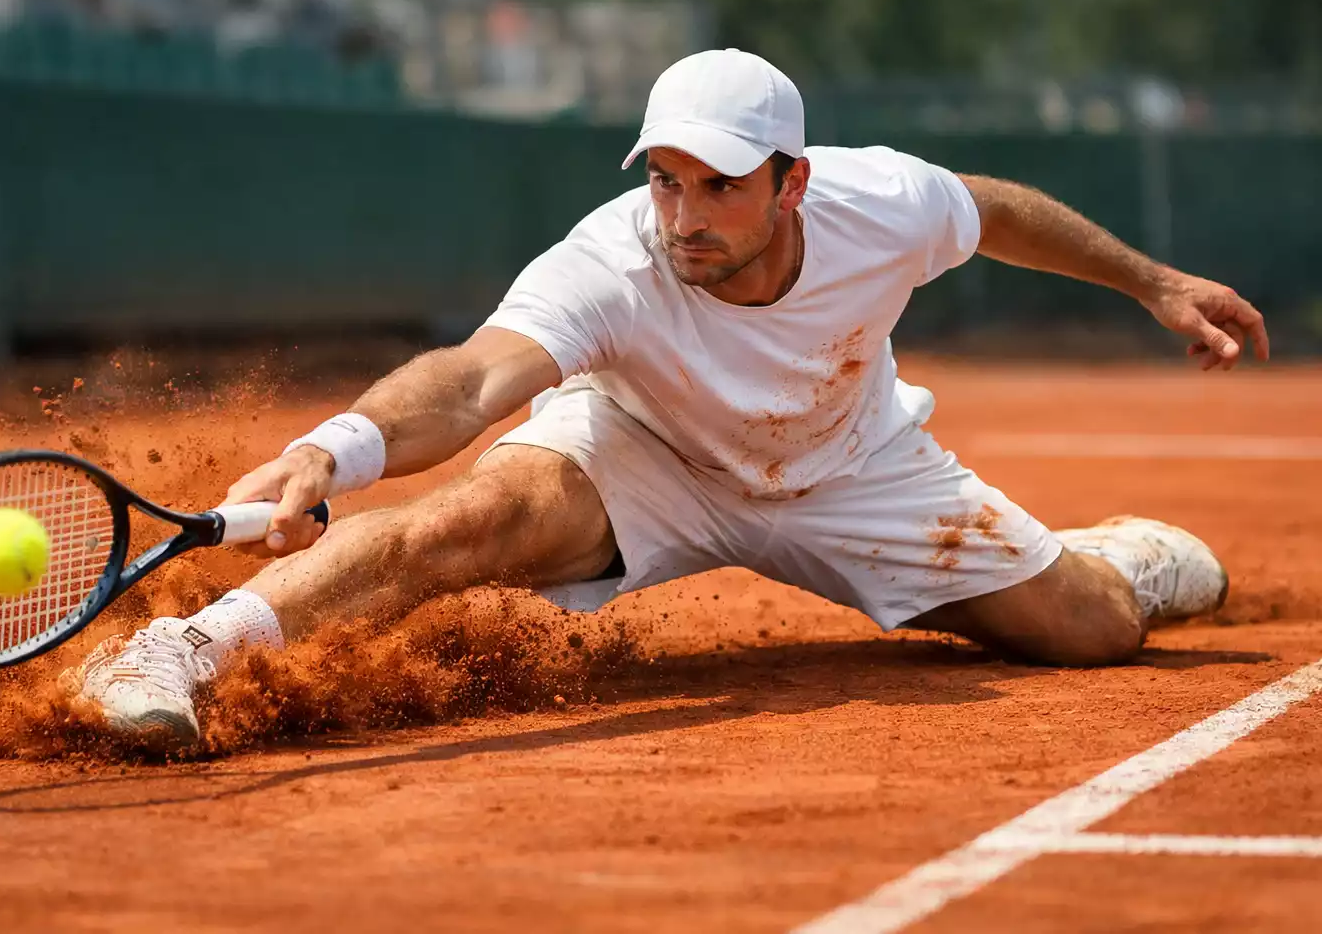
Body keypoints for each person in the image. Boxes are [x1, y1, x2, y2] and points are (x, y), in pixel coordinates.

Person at [67, 49, 1269, 748]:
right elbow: (478, 377)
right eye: (666, 181)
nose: (685, 216)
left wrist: (1155, 284)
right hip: (642, 452)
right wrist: (338, 445)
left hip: (850, 466)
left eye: (719, 187)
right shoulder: (614, 259)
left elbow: (995, 209)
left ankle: (1113, 556)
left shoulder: (882, 202)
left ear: (792, 181)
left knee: (1094, 632)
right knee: (463, 523)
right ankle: (182, 649)